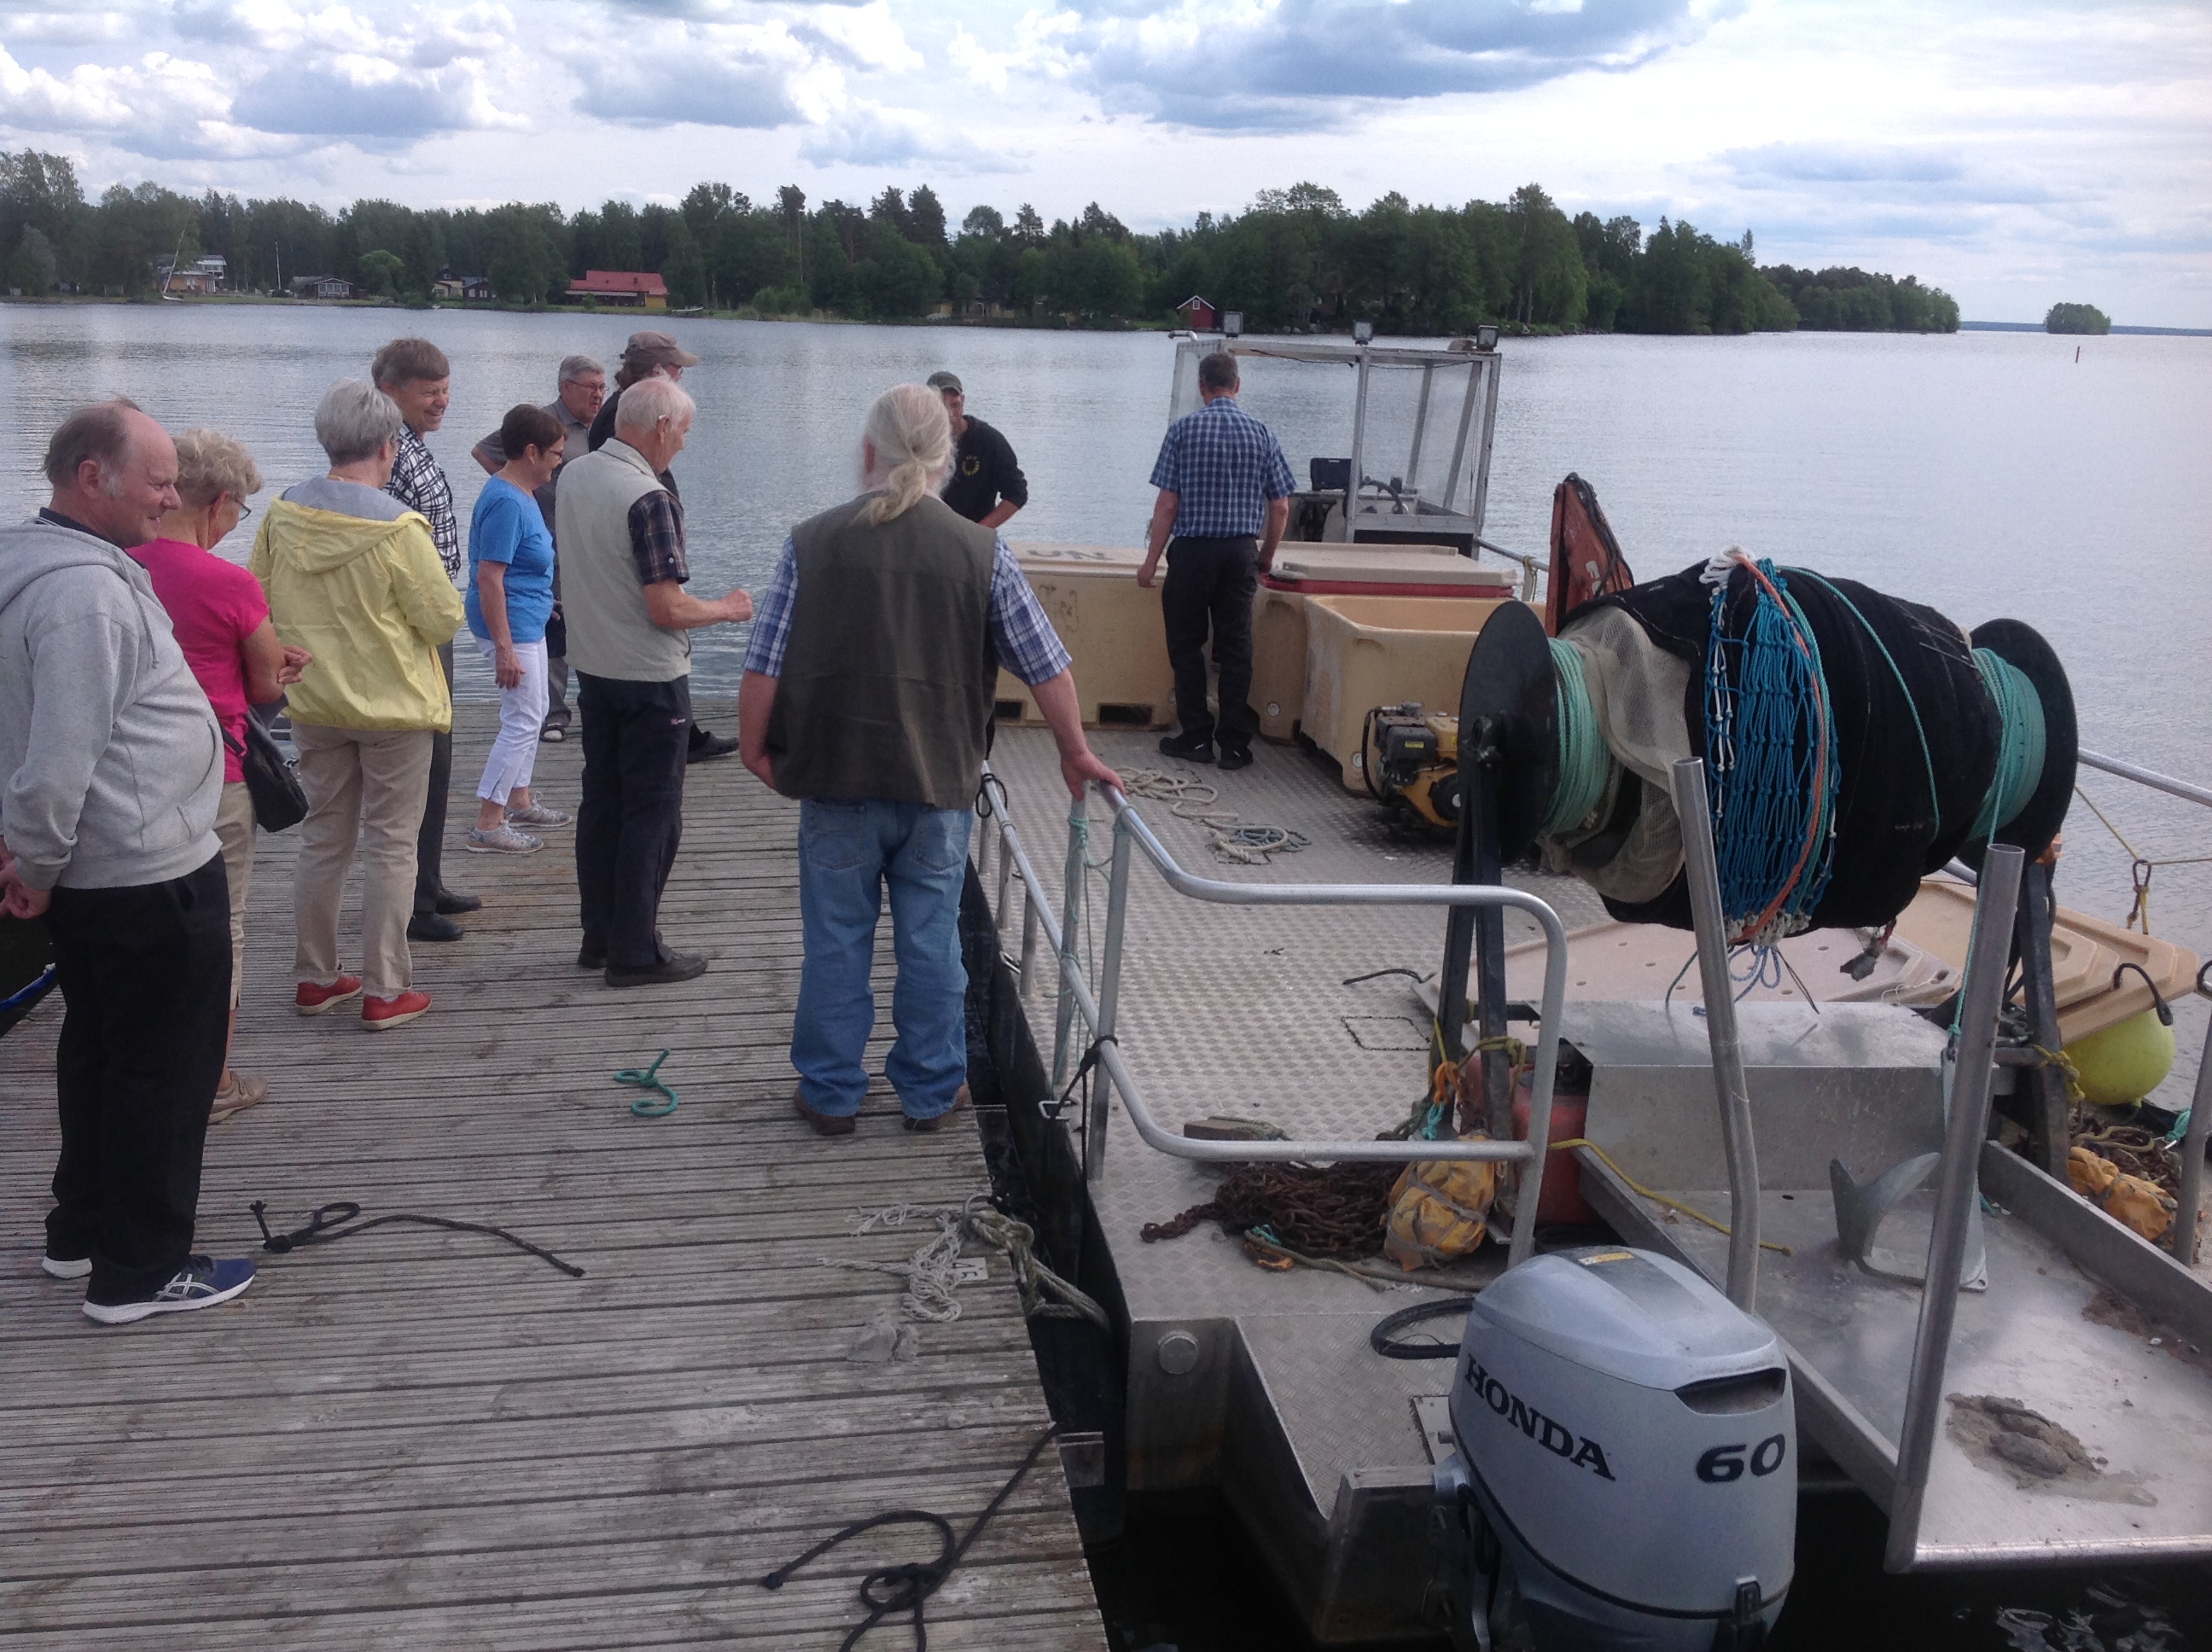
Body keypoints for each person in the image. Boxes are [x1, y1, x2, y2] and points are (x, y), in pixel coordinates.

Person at [739, 384, 1121, 1137]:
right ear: (947, 458)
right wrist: (1074, 749)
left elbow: (765, 663)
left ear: (868, 450)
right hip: (938, 787)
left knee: (836, 944)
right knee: (931, 943)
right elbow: (1045, 664)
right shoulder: (982, 551)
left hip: (836, 783)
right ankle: (932, 1090)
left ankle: (831, 1093)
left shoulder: (810, 541)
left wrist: (754, 749)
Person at [0, 399, 257, 1323]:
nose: (171, 497)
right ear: (90, 478)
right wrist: (33, 861)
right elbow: (58, 755)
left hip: (107, 869)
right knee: (165, 1072)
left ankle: (80, 1233)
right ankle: (140, 1270)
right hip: (144, 872)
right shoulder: (86, 596)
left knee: (101, 1053)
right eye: (156, 481)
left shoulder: (38, 563)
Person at [252, 380, 466, 1032]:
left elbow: (257, 597)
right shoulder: (400, 530)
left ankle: (316, 977)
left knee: (324, 839)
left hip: (314, 700)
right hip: (394, 708)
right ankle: (385, 988)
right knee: (393, 845)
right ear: (387, 446)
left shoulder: (282, 514)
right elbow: (442, 619)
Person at [131, 428, 312, 1123]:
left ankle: (144, 1061)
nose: (235, 525)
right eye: (239, 512)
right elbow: (264, 686)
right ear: (219, 502)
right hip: (219, 773)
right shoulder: (230, 582)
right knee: (222, 925)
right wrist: (283, 667)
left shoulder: (120, 566)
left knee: (142, 918)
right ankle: (213, 1080)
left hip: (134, 778)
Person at [556, 376, 753, 986]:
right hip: (649, 676)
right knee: (654, 812)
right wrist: (728, 609)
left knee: (602, 803)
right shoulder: (650, 497)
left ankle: (599, 936)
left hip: (594, 668)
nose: (685, 444)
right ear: (662, 426)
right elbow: (666, 608)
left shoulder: (573, 474)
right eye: (684, 431)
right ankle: (636, 951)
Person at [1136, 350, 1294, 773]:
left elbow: (1168, 504)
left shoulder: (1182, 430)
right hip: (1239, 554)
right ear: (1237, 386)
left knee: (1187, 645)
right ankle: (1234, 745)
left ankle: (1196, 737)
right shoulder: (1262, 433)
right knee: (1236, 647)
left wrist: (1150, 563)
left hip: (1192, 553)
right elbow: (1280, 506)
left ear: (1202, 387)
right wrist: (1265, 557)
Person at [586, 330, 737, 765]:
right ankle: (682, 736)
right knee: (665, 624)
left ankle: (686, 732)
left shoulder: (620, 411)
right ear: (656, 371)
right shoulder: (626, 418)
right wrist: (727, 609)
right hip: (640, 568)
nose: (680, 375)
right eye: (675, 369)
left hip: (610, 638)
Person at [373, 334, 480, 939]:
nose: (442, 402)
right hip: (413, 625)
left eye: (445, 390)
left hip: (434, 617)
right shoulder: (386, 453)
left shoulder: (413, 444)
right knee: (421, 762)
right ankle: (414, 906)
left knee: (439, 759)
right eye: (429, 392)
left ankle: (428, 883)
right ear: (390, 391)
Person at [471, 353, 604, 744]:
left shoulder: (602, 427)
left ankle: (594, 707)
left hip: (586, 542)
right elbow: (484, 451)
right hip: (544, 539)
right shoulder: (541, 423)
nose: (598, 395)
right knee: (552, 629)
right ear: (566, 386)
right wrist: (524, 493)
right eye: (590, 387)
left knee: (580, 619)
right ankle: (554, 714)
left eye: (603, 387)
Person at [463, 404, 570, 855]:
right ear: (531, 452)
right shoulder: (507, 501)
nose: (558, 463)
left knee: (538, 707)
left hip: (529, 616)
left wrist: (546, 601)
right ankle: (489, 822)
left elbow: (523, 567)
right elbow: (489, 577)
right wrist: (504, 649)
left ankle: (519, 800)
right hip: (508, 625)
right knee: (523, 719)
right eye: (555, 455)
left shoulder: (523, 492)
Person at [926, 370, 1027, 529]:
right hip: (928, 532)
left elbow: (1017, 492)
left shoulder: (989, 441)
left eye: (954, 405)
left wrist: (978, 531)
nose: (949, 414)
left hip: (972, 531)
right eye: (942, 406)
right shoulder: (916, 440)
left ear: (963, 401)